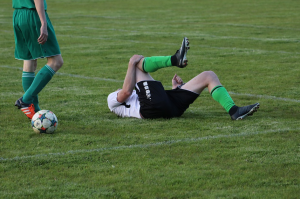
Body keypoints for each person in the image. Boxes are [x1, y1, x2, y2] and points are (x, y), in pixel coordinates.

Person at [107, 37, 259, 120]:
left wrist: (175, 90)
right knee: (138, 64)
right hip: (149, 110)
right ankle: (175, 59)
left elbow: (150, 96)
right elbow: (126, 91)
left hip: (170, 108)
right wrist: (130, 63)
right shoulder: (111, 99)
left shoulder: (139, 94)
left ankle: (234, 111)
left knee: (209, 76)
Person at [13, 0, 63, 119]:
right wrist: (43, 23)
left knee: (29, 61)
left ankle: (34, 110)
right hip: (33, 15)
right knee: (56, 61)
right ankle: (25, 101)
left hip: (18, 14)